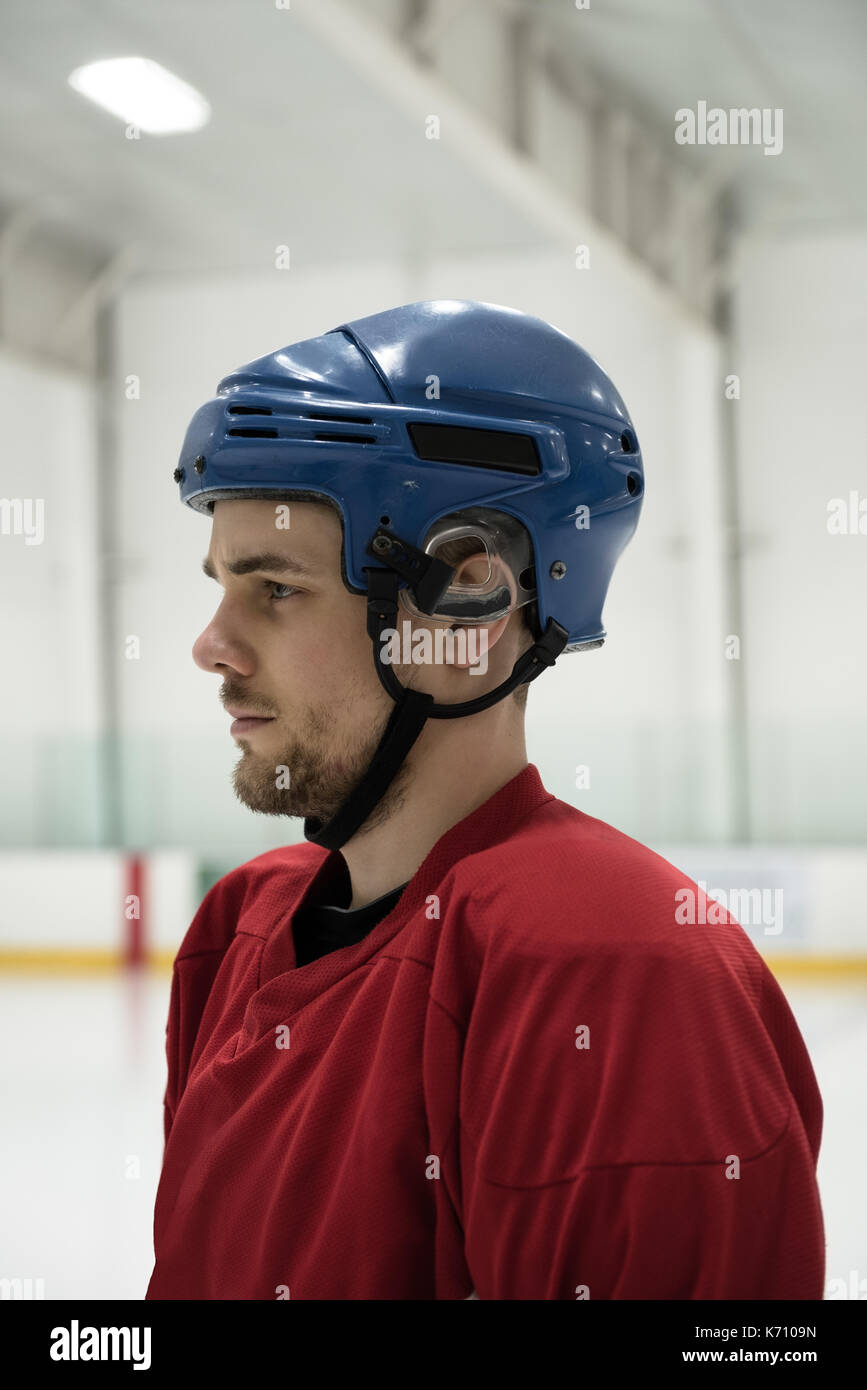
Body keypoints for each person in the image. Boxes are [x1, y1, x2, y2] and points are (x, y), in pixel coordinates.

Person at [146, 300, 824, 1300]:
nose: (210, 643)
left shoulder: (617, 975)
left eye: (274, 587)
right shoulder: (239, 930)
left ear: (466, 608)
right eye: (219, 583)